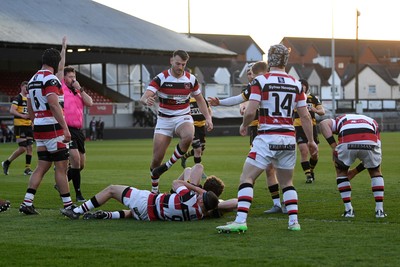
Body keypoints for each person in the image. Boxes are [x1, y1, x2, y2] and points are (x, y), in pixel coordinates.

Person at [216, 44, 318, 233]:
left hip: (266, 137)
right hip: (288, 138)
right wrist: (311, 141)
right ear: (285, 61)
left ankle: (240, 221)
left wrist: (244, 125)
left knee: (246, 177)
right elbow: (304, 116)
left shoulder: (260, 81)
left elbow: (251, 110)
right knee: (287, 182)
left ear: (269, 59)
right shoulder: (296, 84)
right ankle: (294, 222)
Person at [209, 62, 286, 214]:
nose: (251, 76)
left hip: (271, 131)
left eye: (252, 73)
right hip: (263, 132)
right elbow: (239, 99)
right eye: (249, 74)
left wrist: (244, 120)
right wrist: (220, 102)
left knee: (266, 170)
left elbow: (244, 104)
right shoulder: (257, 87)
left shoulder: (266, 83)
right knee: (269, 169)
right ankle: (277, 204)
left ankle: (245, 204)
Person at [140, 50, 213, 194]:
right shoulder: (161, 78)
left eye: (183, 64)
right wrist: (146, 100)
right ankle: (154, 189)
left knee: (188, 135)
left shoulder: (191, 79)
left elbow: (200, 100)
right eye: (178, 63)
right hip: (164, 120)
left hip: (183, 116)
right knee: (156, 160)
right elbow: (144, 96)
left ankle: (167, 165)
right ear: (171, 61)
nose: (180, 67)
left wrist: (208, 118)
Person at [19, 47, 73, 215]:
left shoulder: (32, 79)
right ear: (56, 64)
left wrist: (35, 122)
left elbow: (29, 105)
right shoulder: (50, 80)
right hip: (52, 126)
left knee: (42, 166)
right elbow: (53, 104)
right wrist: (65, 127)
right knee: (61, 167)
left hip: (39, 126)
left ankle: (27, 202)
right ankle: (69, 206)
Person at [319, 114, 386, 218]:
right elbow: (372, 160)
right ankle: (379, 211)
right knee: (375, 171)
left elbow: (323, 124)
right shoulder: (372, 121)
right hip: (370, 139)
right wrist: (355, 171)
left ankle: (348, 210)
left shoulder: (340, 119)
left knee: (341, 172)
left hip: (347, 141)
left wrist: (334, 147)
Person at [61, 65, 93, 202]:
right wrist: (63, 48)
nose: (73, 79)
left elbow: (90, 103)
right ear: (64, 78)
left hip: (78, 131)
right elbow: (60, 65)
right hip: (67, 129)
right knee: (75, 160)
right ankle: (78, 194)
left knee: (81, 165)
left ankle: (62, 181)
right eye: (70, 77)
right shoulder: (61, 88)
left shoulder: (78, 91)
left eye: (74, 77)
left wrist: (80, 89)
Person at [293, 79, 325, 183]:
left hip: (312, 127)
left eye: (303, 85)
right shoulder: (294, 98)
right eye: (300, 85)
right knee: (303, 150)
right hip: (298, 127)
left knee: (314, 154)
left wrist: (315, 110)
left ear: (307, 86)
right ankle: (308, 176)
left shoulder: (313, 98)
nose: (302, 87)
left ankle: (311, 170)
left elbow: (322, 112)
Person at [2, 81, 34, 176]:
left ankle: (27, 169)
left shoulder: (29, 98)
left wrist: (32, 121)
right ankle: (7, 162)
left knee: (30, 147)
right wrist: (22, 116)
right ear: (21, 87)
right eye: (25, 87)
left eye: (28, 87)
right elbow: (12, 110)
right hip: (20, 125)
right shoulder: (18, 98)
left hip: (28, 125)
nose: (26, 89)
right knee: (23, 148)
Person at [180, 96, 211, 171]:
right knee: (198, 149)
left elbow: (209, 110)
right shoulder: (186, 100)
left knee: (201, 150)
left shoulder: (202, 99)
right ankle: (198, 171)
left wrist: (210, 120)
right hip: (192, 127)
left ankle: (185, 156)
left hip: (201, 127)